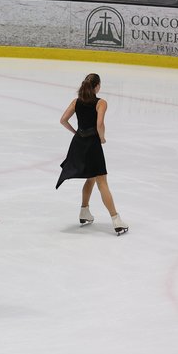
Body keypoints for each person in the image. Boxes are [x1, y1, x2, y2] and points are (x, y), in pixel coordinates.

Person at [55, 73, 128, 235]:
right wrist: (102, 138)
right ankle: (116, 220)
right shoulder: (101, 103)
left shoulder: (76, 102)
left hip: (79, 143)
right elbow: (99, 124)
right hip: (92, 144)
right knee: (102, 181)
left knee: (91, 177)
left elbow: (63, 120)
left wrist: (76, 132)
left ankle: (84, 211)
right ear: (96, 87)